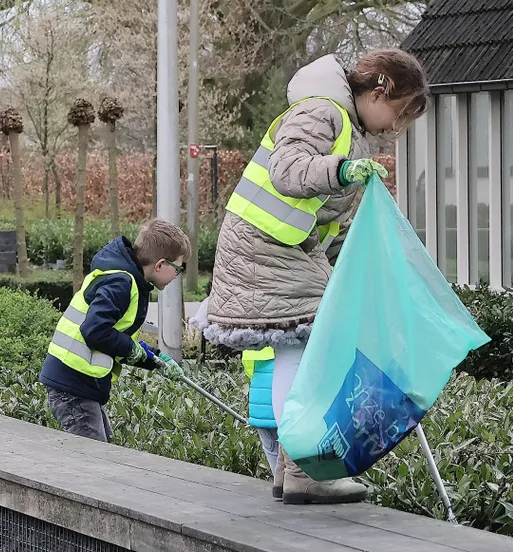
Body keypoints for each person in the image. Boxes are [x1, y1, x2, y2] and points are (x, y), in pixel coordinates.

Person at [201, 48, 430, 504]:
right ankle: (308, 470)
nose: (394, 129)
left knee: (305, 348)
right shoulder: (320, 110)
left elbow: (332, 222)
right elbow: (287, 171)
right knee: (309, 348)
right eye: (399, 113)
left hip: (284, 247)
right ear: (380, 88)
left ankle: (298, 472)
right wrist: (342, 170)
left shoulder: (347, 128)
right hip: (266, 247)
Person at [40, 219, 191, 443]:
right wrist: (132, 349)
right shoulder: (121, 283)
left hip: (81, 385)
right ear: (160, 265)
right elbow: (95, 331)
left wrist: (155, 360)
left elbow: (114, 338)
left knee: (106, 451)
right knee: (93, 460)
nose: (177, 276)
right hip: (73, 385)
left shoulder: (125, 279)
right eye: (178, 269)